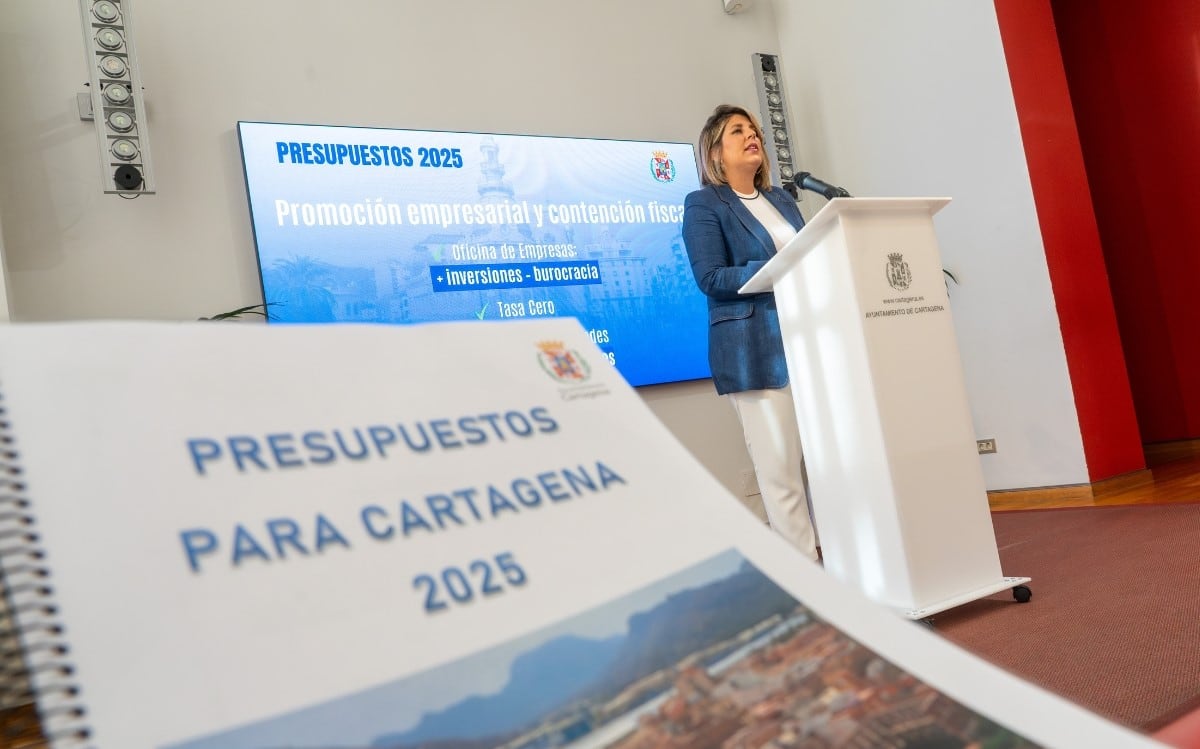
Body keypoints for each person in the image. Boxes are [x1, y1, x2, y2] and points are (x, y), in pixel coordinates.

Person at [681, 104, 818, 562]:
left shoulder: (781, 200)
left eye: (754, 129)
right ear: (716, 153)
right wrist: (780, 267)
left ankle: (850, 568)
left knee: (828, 463)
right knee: (780, 474)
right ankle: (809, 583)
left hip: (812, 344)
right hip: (755, 351)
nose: (752, 135)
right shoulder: (704, 205)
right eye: (737, 131)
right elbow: (711, 277)